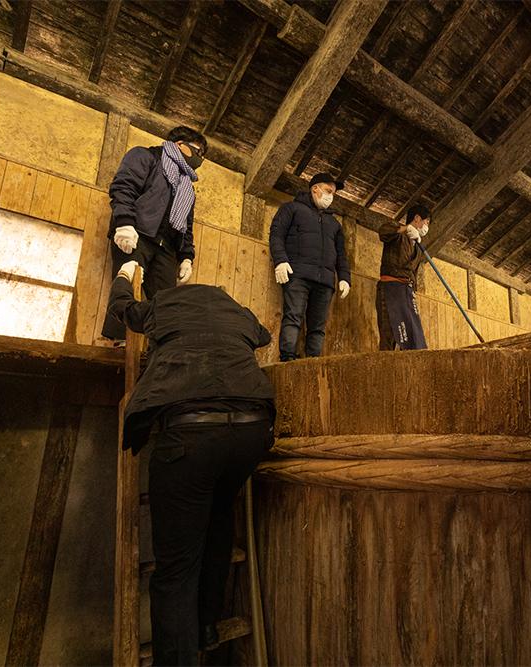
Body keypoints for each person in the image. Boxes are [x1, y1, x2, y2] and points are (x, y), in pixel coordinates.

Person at [108, 260, 276, 665]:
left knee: (176, 568)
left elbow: (122, 308)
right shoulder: (236, 310)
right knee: (218, 521)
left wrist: (126, 273)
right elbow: (264, 335)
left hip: (190, 437)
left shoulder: (163, 304)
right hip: (253, 432)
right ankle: (207, 628)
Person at [100, 126, 208, 342]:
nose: (200, 158)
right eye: (198, 152)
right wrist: (125, 223)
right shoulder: (145, 156)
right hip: (137, 234)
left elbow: (187, 223)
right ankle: (119, 343)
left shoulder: (187, 185)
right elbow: (124, 187)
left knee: (168, 302)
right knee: (127, 285)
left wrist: (187, 256)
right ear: (180, 145)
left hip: (166, 247)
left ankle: (161, 349)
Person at [268, 172, 352, 361]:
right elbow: (276, 234)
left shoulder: (334, 224)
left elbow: (341, 254)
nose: (331, 196)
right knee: (293, 317)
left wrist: (345, 277)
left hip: (325, 281)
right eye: (328, 191)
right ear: (315, 188)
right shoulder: (291, 208)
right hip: (298, 274)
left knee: (318, 328)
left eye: (333, 193)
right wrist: (280, 260)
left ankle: (312, 362)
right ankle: (287, 359)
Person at [376, 205, 431, 350]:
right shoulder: (398, 231)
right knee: (389, 335)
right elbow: (383, 232)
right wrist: (404, 229)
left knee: (412, 335)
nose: (426, 226)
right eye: (427, 222)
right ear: (417, 218)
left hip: (406, 292)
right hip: (390, 289)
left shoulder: (418, 246)